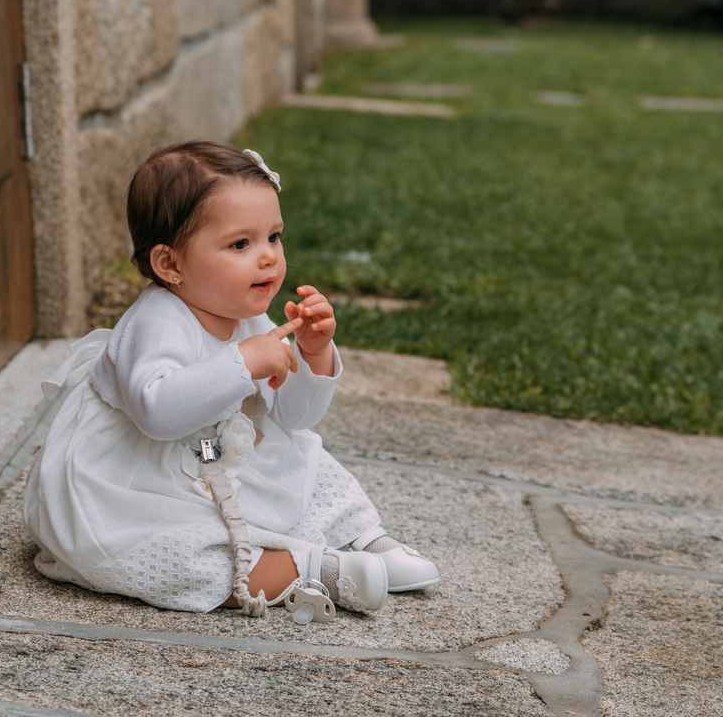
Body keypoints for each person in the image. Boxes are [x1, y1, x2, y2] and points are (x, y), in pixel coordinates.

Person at [23, 140, 439, 618]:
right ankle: (313, 569)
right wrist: (242, 362)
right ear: (170, 265)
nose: (268, 258)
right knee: (171, 554)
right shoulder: (156, 321)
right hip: (138, 481)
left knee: (309, 459)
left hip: (219, 457)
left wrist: (313, 355)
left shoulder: (250, 317)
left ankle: (363, 535)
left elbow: (295, 417)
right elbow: (157, 413)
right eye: (241, 244)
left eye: (274, 237)